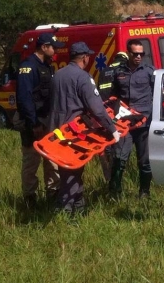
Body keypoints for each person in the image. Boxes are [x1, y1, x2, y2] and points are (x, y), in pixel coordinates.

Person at [49, 41, 121, 214]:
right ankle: (65, 210)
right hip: (74, 133)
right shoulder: (83, 77)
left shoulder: (57, 75)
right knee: (72, 172)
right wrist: (112, 129)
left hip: (56, 132)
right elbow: (97, 108)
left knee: (67, 171)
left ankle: (79, 207)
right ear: (85, 58)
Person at [15, 33, 65, 210]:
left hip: (48, 122)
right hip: (33, 124)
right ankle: (30, 198)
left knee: (52, 160)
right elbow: (24, 98)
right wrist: (34, 123)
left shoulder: (47, 67)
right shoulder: (28, 67)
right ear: (44, 47)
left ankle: (53, 194)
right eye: (54, 47)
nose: (56, 50)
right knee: (31, 162)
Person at [108, 40, 155, 198]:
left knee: (144, 160)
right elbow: (113, 96)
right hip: (124, 123)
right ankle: (115, 192)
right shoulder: (119, 72)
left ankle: (144, 192)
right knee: (120, 158)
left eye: (141, 54)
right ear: (128, 53)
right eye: (135, 54)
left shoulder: (149, 71)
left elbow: (159, 92)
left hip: (143, 123)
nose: (139, 57)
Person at [96, 51, 128, 182]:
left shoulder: (104, 71)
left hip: (104, 112)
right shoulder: (122, 70)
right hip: (118, 111)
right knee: (119, 143)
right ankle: (116, 178)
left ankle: (108, 175)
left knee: (107, 142)